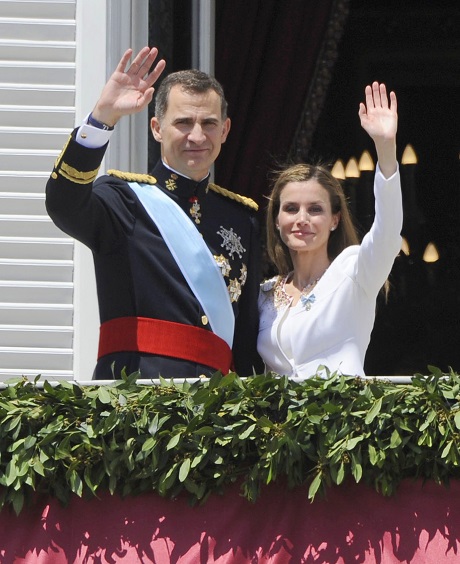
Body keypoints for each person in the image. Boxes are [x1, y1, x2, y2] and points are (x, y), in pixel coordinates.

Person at [46, 46, 262, 380]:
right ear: (157, 128)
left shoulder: (241, 217)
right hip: (136, 399)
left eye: (209, 123)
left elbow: (246, 337)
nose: (197, 135)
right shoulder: (122, 200)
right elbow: (64, 203)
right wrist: (103, 117)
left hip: (217, 410)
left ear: (225, 130)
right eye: (183, 122)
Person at [258, 82, 402, 379]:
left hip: (344, 419)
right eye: (290, 209)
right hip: (277, 424)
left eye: (315, 209)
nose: (302, 219)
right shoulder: (264, 294)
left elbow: (387, 234)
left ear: (335, 219)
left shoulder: (354, 270)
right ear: (276, 220)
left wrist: (386, 150)